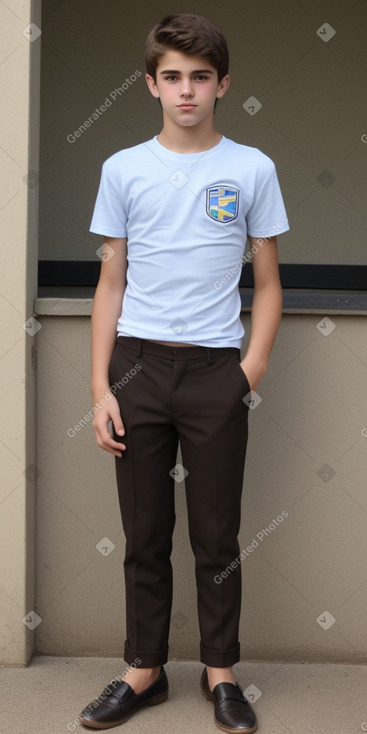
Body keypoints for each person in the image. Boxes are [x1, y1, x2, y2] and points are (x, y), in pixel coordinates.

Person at [79, 12, 289, 733]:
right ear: (150, 85)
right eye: (172, 76)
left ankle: (220, 670)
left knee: (215, 534)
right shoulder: (123, 169)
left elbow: (266, 282)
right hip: (136, 366)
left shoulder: (250, 168)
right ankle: (143, 670)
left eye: (200, 76)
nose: (186, 90)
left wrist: (248, 369)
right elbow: (110, 284)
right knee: (143, 531)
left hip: (213, 372)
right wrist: (101, 386)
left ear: (221, 84)